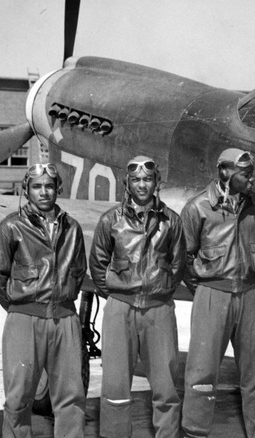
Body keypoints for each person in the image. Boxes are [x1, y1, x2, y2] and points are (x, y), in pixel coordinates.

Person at [0, 163, 87, 437]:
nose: (44, 192)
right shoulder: (10, 227)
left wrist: (63, 300)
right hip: (24, 320)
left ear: (58, 189)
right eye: (37, 186)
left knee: (71, 397)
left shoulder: (72, 228)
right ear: (26, 190)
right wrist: (19, 307)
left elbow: (78, 271)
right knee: (18, 398)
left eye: (49, 186)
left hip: (64, 319)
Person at [89, 156, 185, 438]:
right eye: (136, 180)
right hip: (121, 309)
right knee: (116, 387)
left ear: (157, 183)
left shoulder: (172, 222)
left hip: (158, 309)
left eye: (147, 179)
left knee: (166, 387)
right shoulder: (110, 221)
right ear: (127, 183)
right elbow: (98, 264)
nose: (142, 185)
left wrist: (159, 288)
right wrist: (120, 295)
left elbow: (178, 265)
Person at [180, 148, 255, 438]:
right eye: (245, 174)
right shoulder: (198, 208)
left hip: (250, 294)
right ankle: (195, 432)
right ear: (225, 173)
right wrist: (206, 289)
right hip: (212, 293)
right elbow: (184, 258)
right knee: (202, 374)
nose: (251, 179)